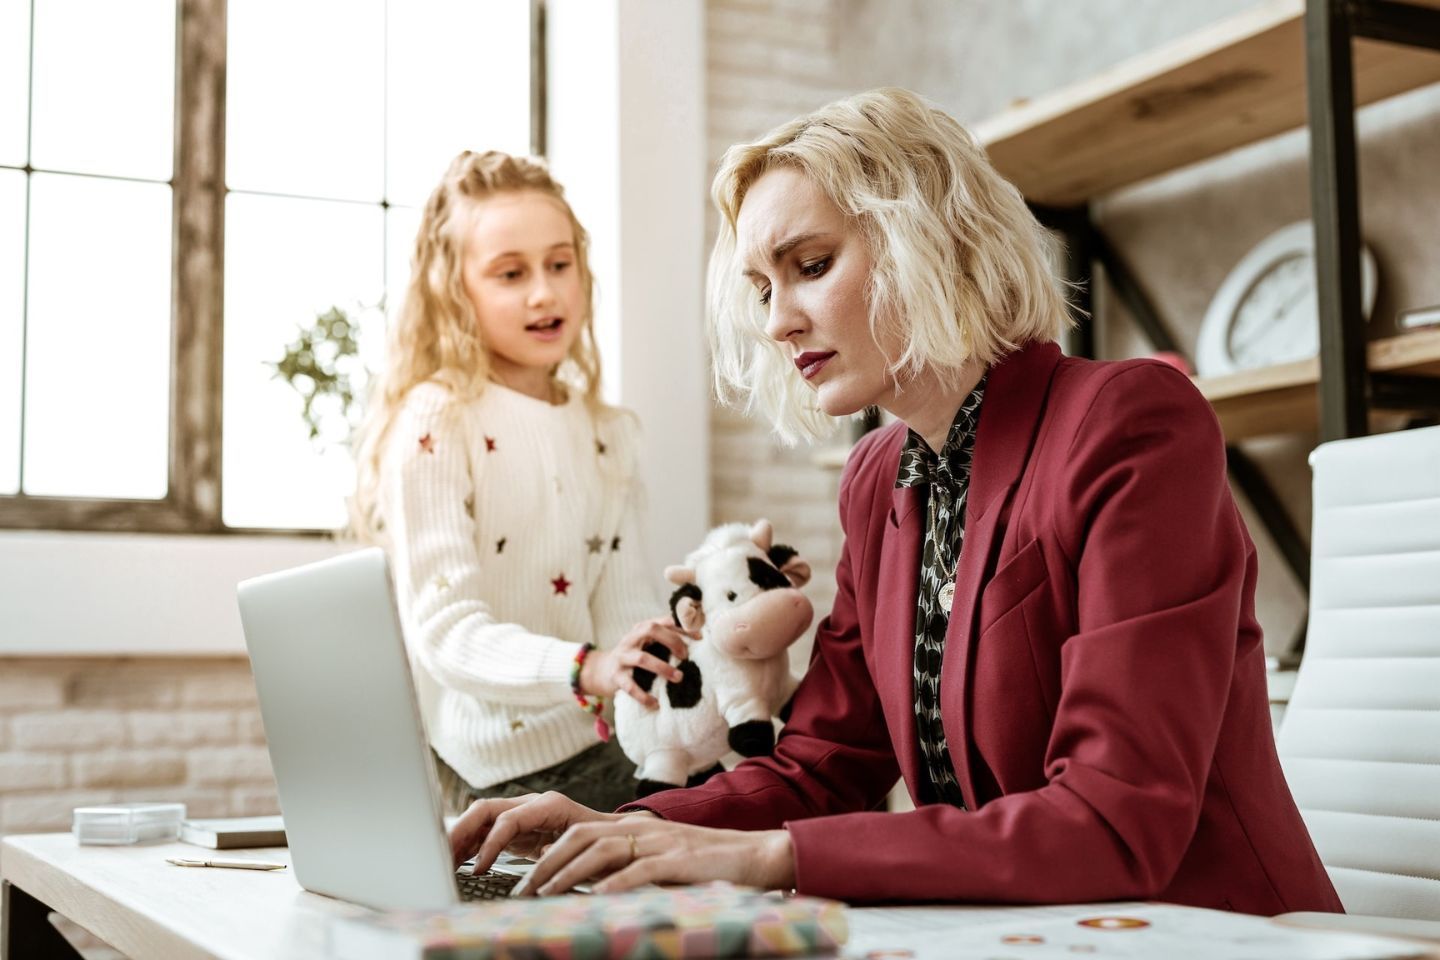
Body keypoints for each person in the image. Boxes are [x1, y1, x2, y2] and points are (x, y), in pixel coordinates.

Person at [447, 89, 1343, 914]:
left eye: (810, 265)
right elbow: (822, 763)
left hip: (1213, 933)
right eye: (763, 288)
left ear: (935, 237)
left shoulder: (1130, 422)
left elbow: (1114, 818)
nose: (778, 320)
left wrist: (771, 860)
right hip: (1035, 932)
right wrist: (627, 823)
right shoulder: (881, 476)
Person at [352, 150, 688, 814]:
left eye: (559, 264)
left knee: (763, 781)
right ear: (455, 292)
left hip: (609, 743)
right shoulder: (436, 421)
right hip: (500, 768)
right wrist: (585, 668)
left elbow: (622, 611)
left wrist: (665, 658)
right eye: (511, 273)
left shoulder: (606, 432)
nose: (544, 291)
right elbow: (447, 632)